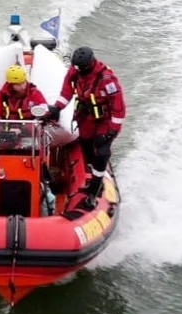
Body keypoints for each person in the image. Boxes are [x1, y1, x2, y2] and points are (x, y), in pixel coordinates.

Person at [45, 45, 125, 209]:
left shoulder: (107, 80)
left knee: (101, 153)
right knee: (87, 148)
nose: (78, 71)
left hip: (104, 121)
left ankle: (95, 190)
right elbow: (66, 92)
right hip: (85, 118)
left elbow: (119, 108)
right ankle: (90, 175)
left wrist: (111, 133)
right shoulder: (75, 72)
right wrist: (57, 108)